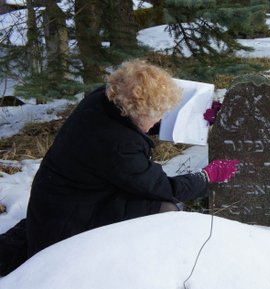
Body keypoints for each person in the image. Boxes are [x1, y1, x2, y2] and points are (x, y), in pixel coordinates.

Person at [24, 59, 238, 258]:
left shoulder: (107, 98)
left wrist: (195, 115)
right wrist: (207, 177)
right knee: (166, 209)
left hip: (62, 196)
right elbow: (164, 188)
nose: (162, 118)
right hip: (69, 222)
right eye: (159, 114)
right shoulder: (119, 146)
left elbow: (137, 122)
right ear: (138, 113)